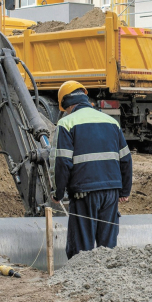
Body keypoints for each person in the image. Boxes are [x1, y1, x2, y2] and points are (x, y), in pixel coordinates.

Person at [52, 81, 133, 258]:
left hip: (84, 194)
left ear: (66, 104)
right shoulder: (111, 122)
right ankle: (107, 283)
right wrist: (124, 190)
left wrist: (58, 193)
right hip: (111, 193)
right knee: (107, 250)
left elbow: (63, 163)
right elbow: (126, 159)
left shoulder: (66, 123)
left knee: (81, 252)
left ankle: (81, 284)